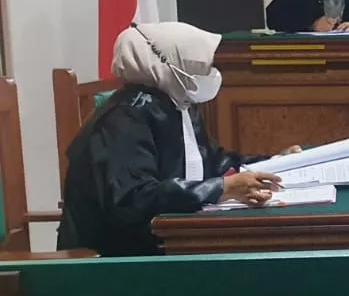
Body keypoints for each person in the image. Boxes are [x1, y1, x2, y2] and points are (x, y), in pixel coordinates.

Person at [59, 22, 286, 256]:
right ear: (170, 65)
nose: (211, 73)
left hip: (171, 242)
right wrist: (220, 188)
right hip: (117, 258)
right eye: (201, 66)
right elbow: (134, 199)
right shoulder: (123, 119)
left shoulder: (178, 105)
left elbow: (212, 162)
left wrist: (276, 163)